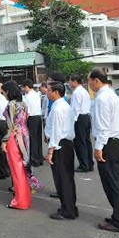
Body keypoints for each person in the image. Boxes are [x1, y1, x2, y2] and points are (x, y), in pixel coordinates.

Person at [88, 68, 119, 234]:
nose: (89, 84)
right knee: (117, 184)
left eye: (89, 81)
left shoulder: (102, 98)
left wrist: (99, 147)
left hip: (110, 145)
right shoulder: (111, 94)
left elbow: (103, 126)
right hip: (116, 143)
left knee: (114, 185)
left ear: (96, 80)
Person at [1, 81, 41, 210]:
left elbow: (10, 125)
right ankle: (25, 199)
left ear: (8, 92)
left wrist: (4, 141)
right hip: (24, 135)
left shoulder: (10, 105)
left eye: (4, 92)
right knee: (23, 168)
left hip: (14, 137)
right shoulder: (23, 104)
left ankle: (20, 201)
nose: (3, 94)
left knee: (16, 170)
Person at [46, 82, 78, 220]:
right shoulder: (65, 105)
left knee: (62, 179)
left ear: (56, 92)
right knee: (68, 178)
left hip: (60, 146)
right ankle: (70, 207)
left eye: (48, 90)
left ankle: (67, 210)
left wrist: (50, 151)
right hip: (66, 145)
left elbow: (56, 132)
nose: (46, 92)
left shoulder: (58, 108)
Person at [70, 74, 94, 173]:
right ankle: (89, 163)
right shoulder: (84, 91)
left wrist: (72, 121)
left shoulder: (76, 93)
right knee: (86, 141)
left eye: (70, 81)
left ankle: (83, 165)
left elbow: (75, 108)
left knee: (80, 142)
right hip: (86, 117)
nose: (69, 83)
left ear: (75, 82)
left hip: (79, 118)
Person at [22, 79, 43, 167]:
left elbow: (28, 111)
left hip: (31, 118)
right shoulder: (36, 94)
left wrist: (24, 121)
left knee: (32, 139)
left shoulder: (28, 97)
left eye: (24, 88)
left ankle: (34, 159)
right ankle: (39, 158)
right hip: (38, 117)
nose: (23, 90)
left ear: (27, 87)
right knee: (38, 138)